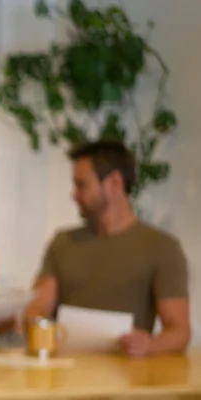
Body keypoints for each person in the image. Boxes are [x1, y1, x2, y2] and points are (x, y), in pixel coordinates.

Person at [23, 140, 190, 357]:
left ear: (114, 183)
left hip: (127, 372)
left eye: (82, 185)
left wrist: (149, 345)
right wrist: (33, 323)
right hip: (65, 369)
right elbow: (38, 307)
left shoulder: (162, 248)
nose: (74, 194)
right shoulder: (63, 243)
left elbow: (179, 331)